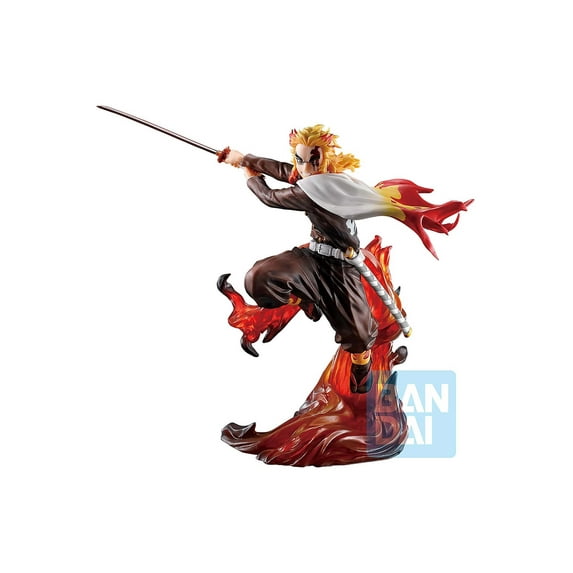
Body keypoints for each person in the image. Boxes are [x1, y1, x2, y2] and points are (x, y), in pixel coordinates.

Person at [222, 124, 471, 393]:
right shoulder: (320, 180)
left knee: (358, 333)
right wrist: (245, 158)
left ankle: (361, 374)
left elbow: (271, 197)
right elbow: (286, 171)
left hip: (341, 266)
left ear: (326, 159)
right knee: (261, 277)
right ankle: (308, 299)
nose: (306, 168)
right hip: (313, 256)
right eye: (300, 159)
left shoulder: (321, 189)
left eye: (313, 160)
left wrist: (250, 175)